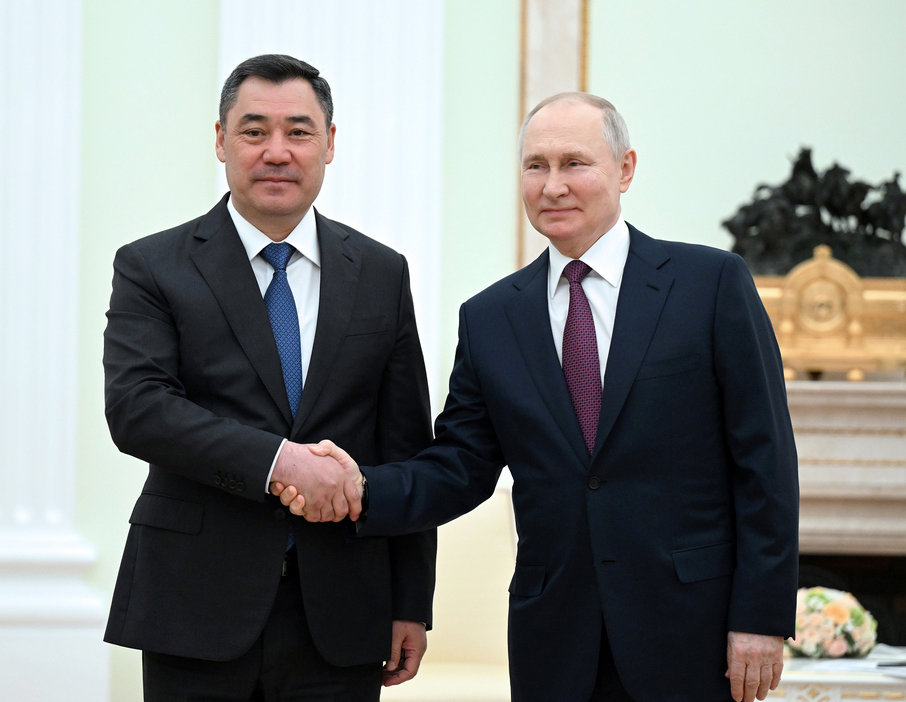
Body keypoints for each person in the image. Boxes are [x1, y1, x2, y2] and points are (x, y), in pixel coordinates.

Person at [274, 93, 800, 702]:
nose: (553, 186)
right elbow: (460, 466)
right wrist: (362, 489)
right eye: (535, 166)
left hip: (693, 632)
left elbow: (765, 461)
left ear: (625, 169)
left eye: (574, 163)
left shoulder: (710, 285)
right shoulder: (491, 317)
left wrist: (761, 616)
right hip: (555, 640)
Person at [102, 53, 435, 701]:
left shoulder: (382, 272)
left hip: (343, 611)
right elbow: (139, 409)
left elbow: (405, 445)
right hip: (194, 604)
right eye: (254, 131)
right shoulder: (152, 265)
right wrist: (281, 462)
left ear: (329, 144)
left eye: (299, 132)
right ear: (221, 140)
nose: (276, 151)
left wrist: (411, 601)